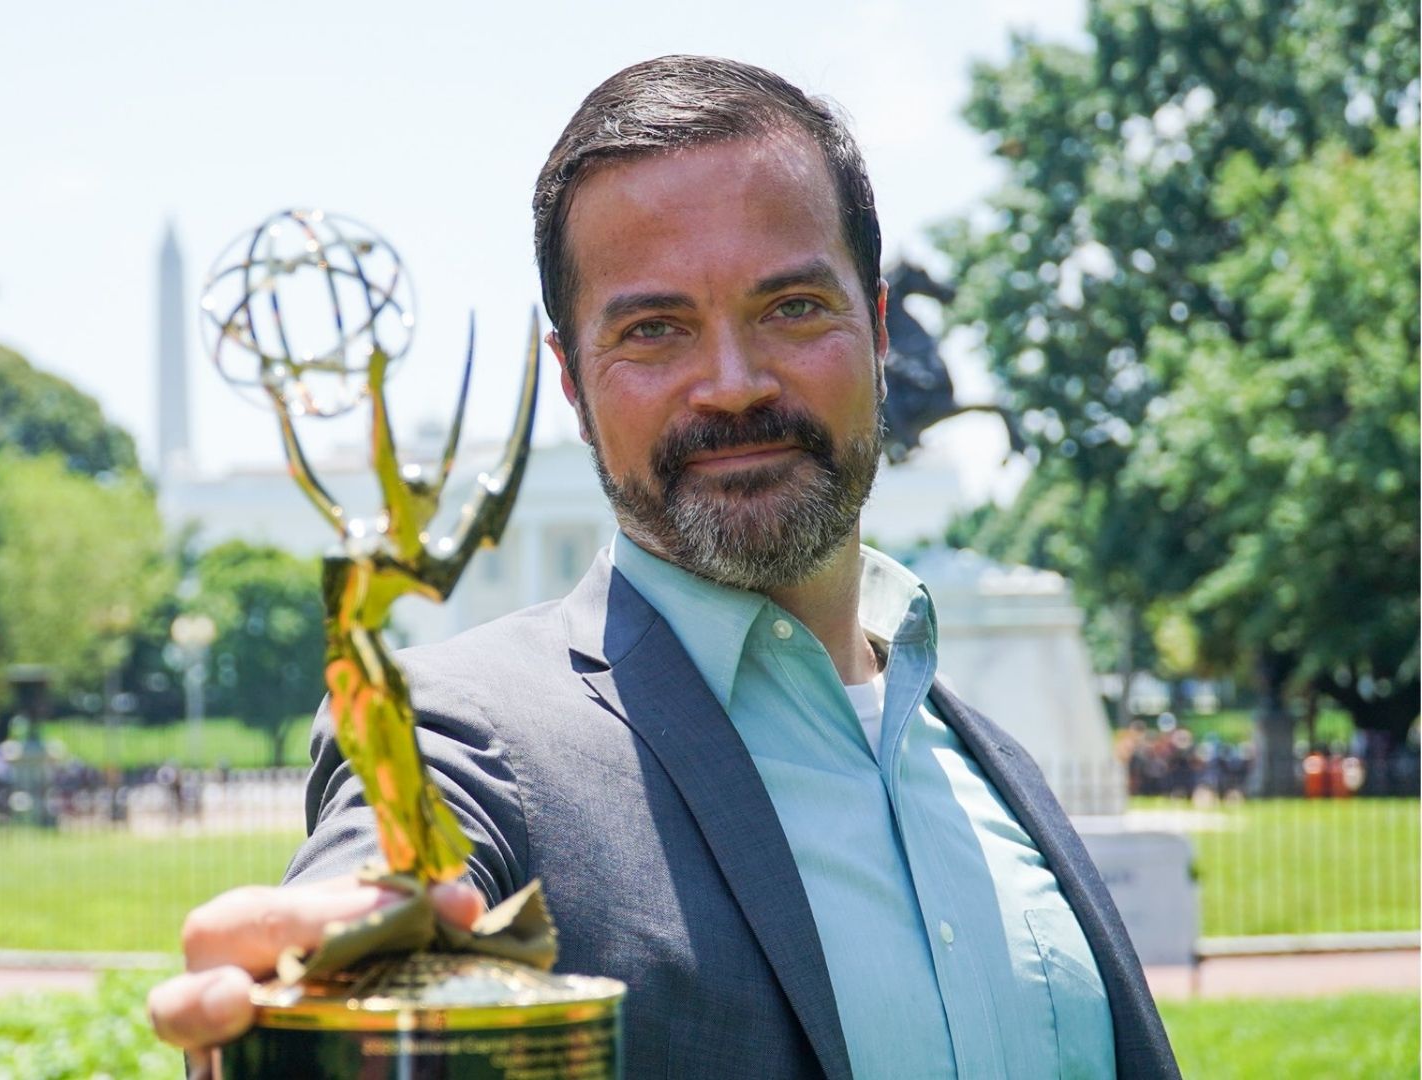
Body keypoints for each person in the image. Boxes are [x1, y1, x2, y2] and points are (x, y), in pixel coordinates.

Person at [150, 56, 1179, 1078]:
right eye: (655, 330)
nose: (731, 384)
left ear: (875, 330)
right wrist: (320, 992)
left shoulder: (992, 761)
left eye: (791, 308)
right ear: (571, 378)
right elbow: (398, 881)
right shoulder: (461, 741)